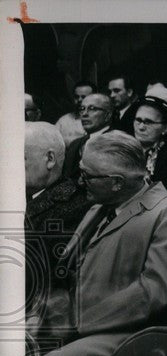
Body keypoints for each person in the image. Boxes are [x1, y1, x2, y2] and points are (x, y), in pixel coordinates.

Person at [38, 132, 167, 356]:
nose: (79, 183)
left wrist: (77, 321)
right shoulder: (99, 209)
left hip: (136, 334)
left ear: (117, 182)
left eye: (86, 176)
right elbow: (68, 273)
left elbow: (154, 292)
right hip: (79, 326)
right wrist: (41, 314)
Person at [24, 122, 91, 317]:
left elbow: (43, 279)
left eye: (19, 158)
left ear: (50, 159)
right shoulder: (18, 195)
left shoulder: (74, 207)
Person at [132, 91, 167, 198]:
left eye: (148, 122)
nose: (141, 127)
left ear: (165, 128)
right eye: (138, 120)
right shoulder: (124, 149)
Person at [62, 93, 114, 180]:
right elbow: (66, 179)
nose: (84, 114)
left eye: (92, 109)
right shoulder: (75, 144)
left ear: (107, 115)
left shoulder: (116, 141)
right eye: (82, 109)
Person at [55, 80, 95, 144]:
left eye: (83, 97)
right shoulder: (63, 121)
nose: (79, 100)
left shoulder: (101, 119)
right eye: (76, 97)